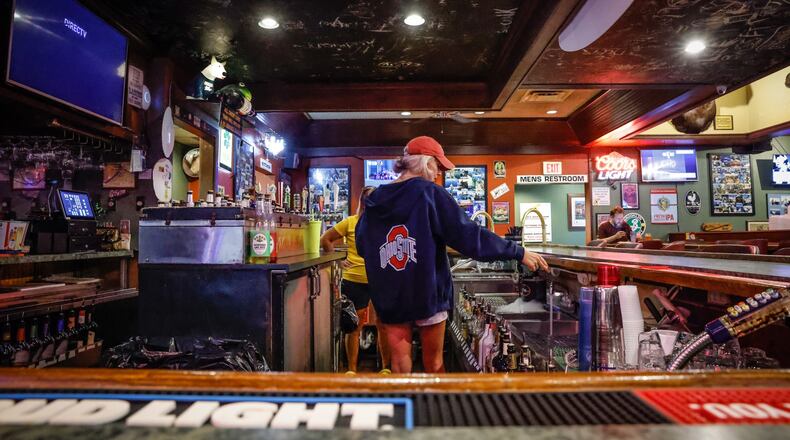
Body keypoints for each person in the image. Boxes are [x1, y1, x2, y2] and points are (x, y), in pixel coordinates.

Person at [356, 136, 549, 374]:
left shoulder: (374, 198)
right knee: (434, 363)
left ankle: (407, 408)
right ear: (427, 163)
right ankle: (435, 409)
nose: (438, 174)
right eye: (438, 166)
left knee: (398, 364)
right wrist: (517, 252)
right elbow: (469, 237)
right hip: (428, 289)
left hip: (390, 290)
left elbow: (363, 245)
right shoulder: (431, 194)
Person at [320, 186, 391, 374]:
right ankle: (351, 370)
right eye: (367, 199)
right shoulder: (350, 222)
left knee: (384, 325)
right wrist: (339, 261)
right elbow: (325, 240)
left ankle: (386, 369)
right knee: (354, 327)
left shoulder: (385, 224)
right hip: (354, 280)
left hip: (380, 280)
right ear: (362, 202)